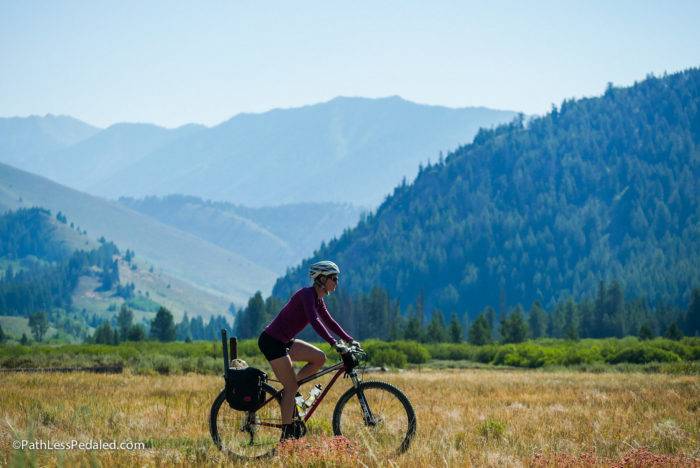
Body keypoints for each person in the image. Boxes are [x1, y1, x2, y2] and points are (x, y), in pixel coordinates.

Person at [258, 260, 359, 440]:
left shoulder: (318, 299)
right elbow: (315, 321)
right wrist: (333, 342)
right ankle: (287, 434)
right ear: (321, 279)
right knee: (290, 387)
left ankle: (292, 391)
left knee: (319, 358)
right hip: (272, 342)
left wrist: (350, 340)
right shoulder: (306, 295)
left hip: (284, 342)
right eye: (334, 278)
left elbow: (330, 321)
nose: (337, 282)